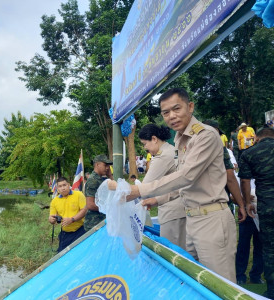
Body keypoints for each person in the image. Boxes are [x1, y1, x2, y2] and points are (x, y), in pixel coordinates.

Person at [108, 88, 237, 282]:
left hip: (211, 218)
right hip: (191, 219)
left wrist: (138, 190)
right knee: (194, 281)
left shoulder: (205, 136)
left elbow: (186, 176)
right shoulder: (179, 139)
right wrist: (157, 199)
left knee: (219, 283)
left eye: (176, 109)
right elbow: (182, 186)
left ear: (190, 106)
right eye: (166, 112)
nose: (172, 116)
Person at [239, 127, 274, 299]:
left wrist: (247, 203)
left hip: (269, 208)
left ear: (256, 138)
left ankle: (273, 293)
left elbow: (245, 181)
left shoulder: (249, 153)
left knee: (271, 250)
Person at [138, 123, 186, 249]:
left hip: (172, 211)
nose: (145, 148)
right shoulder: (172, 149)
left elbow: (145, 187)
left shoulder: (163, 156)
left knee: (174, 252)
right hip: (180, 208)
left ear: (154, 139)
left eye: (145, 144)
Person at [49, 177, 87, 252]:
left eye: (64, 185)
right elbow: (51, 217)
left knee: (81, 252)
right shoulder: (54, 201)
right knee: (63, 254)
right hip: (65, 233)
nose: (63, 188)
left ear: (69, 185)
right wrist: (51, 220)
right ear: (57, 188)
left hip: (80, 230)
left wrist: (72, 219)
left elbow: (84, 210)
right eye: (60, 186)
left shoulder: (79, 194)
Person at [83, 154, 113, 231]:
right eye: (105, 165)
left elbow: (115, 189)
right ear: (97, 164)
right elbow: (90, 205)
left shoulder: (102, 179)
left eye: (108, 166)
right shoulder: (93, 180)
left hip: (102, 221)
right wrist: (108, 209)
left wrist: (110, 175)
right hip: (94, 223)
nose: (107, 168)